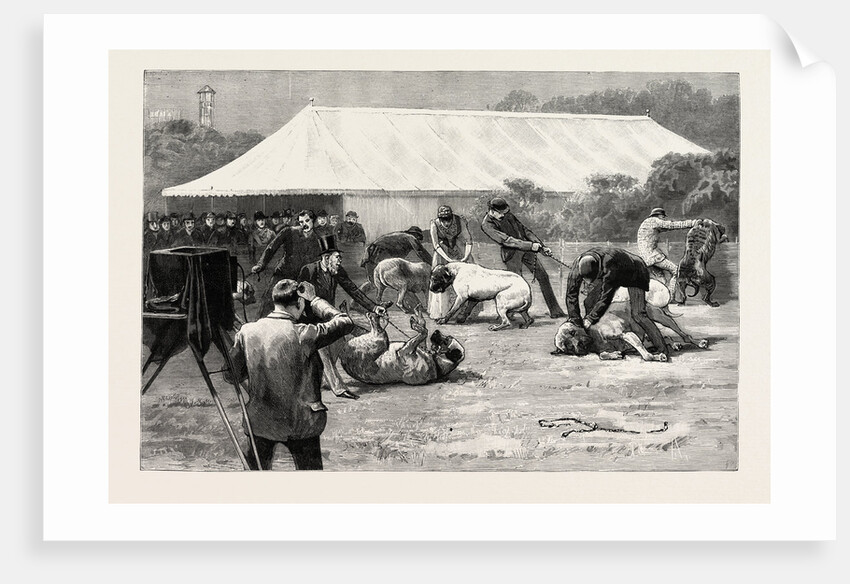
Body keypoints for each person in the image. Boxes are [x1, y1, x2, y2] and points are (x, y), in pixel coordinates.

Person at [228, 280, 355, 470]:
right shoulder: (305, 333)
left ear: (274, 301)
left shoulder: (247, 332)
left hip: (260, 422)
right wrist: (315, 300)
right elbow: (345, 321)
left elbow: (231, 375)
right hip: (302, 424)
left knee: (253, 482)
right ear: (299, 304)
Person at [298, 234, 392, 399]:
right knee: (323, 348)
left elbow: (353, 290)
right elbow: (300, 297)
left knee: (344, 338)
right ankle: (339, 388)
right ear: (326, 258)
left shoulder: (337, 271)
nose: (340, 261)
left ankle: (321, 379)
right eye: (337, 258)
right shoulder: (309, 270)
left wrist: (374, 307)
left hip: (329, 316)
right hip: (310, 319)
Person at [565, 247, 670, 360]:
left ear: (599, 269)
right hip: (608, 273)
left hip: (635, 271)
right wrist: (575, 320)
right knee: (589, 302)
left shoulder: (610, 265)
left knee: (638, 314)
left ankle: (662, 349)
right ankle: (595, 338)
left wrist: (590, 319)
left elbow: (606, 297)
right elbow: (571, 295)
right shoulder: (577, 266)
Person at [480, 197, 566, 319]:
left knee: (543, 276)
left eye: (505, 212)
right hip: (512, 255)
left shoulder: (508, 215)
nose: (504, 216)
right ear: (492, 211)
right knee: (516, 285)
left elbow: (525, 231)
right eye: (501, 213)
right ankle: (509, 314)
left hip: (527, 251)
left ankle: (555, 311)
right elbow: (508, 241)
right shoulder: (487, 225)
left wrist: (542, 246)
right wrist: (531, 246)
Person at [252, 209, 322, 318]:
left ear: (313, 220)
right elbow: (271, 248)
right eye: (301, 222)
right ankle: (259, 325)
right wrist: (261, 265)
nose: (304, 224)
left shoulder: (317, 239)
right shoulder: (289, 231)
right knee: (269, 301)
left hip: (303, 278)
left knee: (307, 307)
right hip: (283, 273)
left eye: (307, 220)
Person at [428, 205, 480, 322]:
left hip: (459, 249)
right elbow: (436, 245)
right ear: (440, 219)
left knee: (469, 278)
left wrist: (466, 257)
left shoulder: (459, 220)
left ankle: (465, 312)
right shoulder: (434, 224)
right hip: (442, 252)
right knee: (441, 278)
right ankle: (442, 312)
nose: (447, 223)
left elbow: (468, 240)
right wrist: (448, 259)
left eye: (449, 220)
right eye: (444, 221)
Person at [636, 207, 700, 296]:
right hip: (653, 257)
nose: (664, 219)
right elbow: (672, 225)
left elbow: (666, 228)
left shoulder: (646, 223)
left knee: (661, 279)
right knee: (676, 271)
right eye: (663, 217)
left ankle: (658, 299)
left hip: (645, 257)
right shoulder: (654, 221)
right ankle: (670, 297)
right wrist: (692, 223)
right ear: (660, 215)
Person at [361, 226, 433, 284]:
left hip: (368, 257)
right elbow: (421, 252)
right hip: (379, 256)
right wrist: (433, 264)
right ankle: (415, 303)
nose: (418, 241)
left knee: (373, 283)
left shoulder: (399, 237)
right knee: (401, 282)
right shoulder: (410, 237)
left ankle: (355, 300)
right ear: (415, 234)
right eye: (418, 238)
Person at [208, 211, 239, 291]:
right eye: (230, 219)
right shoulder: (217, 232)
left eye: (234, 219)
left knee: (232, 281)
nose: (233, 221)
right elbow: (211, 246)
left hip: (231, 258)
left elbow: (236, 245)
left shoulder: (234, 232)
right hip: (220, 259)